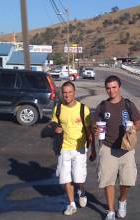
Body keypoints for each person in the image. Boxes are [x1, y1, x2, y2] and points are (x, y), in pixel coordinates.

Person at [93, 75, 140, 220]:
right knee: (108, 181)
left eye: (114, 87)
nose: (111, 91)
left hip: (126, 148)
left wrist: (133, 128)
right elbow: (95, 124)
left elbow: (138, 123)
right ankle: (111, 211)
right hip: (107, 148)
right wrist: (96, 130)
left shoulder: (128, 104)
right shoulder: (102, 106)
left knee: (127, 181)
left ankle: (122, 200)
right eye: (108, 88)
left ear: (119, 87)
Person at [51, 81, 96, 216]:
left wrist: (92, 148)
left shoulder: (83, 109)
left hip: (79, 148)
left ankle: (81, 191)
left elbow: (89, 131)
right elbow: (54, 122)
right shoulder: (58, 108)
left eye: (69, 92)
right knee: (66, 178)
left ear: (74, 93)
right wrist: (55, 128)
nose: (67, 95)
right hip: (63, 148)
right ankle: (71, 204)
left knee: (79, 178)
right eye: (64, 92)